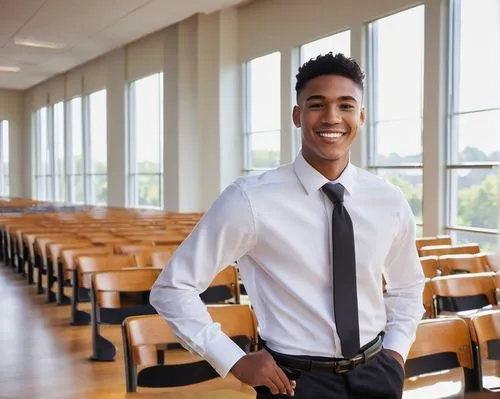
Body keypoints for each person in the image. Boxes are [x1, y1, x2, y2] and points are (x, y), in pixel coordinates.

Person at [150, 52, 425, 399]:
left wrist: (396, 353)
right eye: (317, 104)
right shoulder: (249, 200)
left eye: (345, 105)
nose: (331, 117)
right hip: (294, 383)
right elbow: (173, 288)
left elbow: (407, 286)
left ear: (361, 116)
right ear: (297, 115)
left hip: (377, 374)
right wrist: (233, 360)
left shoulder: (388, 200)